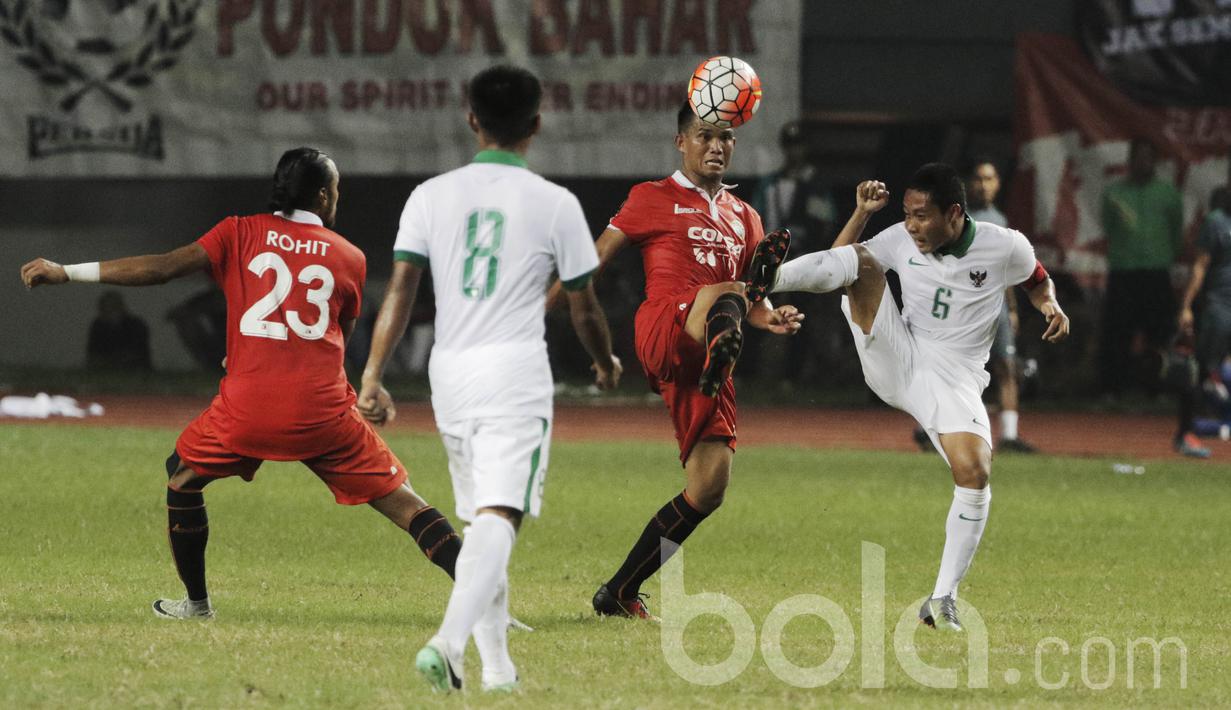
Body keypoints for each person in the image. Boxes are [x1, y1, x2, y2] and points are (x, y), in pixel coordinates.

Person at [19, 147, 463, 620]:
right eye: (335, 189)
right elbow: (335, 341)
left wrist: (67, 271)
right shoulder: (349, 257)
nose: (337, 197)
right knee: (406, 503)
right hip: (323, 414)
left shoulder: (238, 231)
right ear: (320, 195)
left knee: (182, 477)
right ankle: (488, 605)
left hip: (247, 411)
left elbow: (163, 268)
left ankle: (196, 605)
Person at [357, 65, 621, 694]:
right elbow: (583, 304)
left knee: (483, 521)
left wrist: (371, 372)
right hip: (513, 371)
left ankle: (499, 671)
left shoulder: (430, 194)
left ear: (471, 119)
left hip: (450, 372)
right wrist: (606, 360)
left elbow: (401, 288)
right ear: (535, 125)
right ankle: (448, 644)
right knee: (500, 516)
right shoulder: (556, 203)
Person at [772, 164, 1070, 631]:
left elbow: (1035, 279)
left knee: (975, 472)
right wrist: (860, 213)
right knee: (863, 263)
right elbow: (839, 263)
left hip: (956, 378)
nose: (911, 226)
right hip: (900, 354)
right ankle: (762, 279)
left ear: (953, 213)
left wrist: (1049, 303)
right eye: (907, 214)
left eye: (921, 216)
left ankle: (942, 598)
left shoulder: (1005, 245)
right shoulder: (899, 238)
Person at [573, 101, 802, 622]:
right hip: (666, 324)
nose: (716, 145)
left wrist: (772, 317)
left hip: (709, 348)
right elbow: (594, 258)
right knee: (726, 291)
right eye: (704, 136)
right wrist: (567, 302)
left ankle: (620, 591)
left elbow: (753, 305)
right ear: (681, 142)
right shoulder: (651, 197)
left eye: (725, 137)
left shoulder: (746, 216)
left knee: (709, 486)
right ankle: (726, 332)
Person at [913, 157, 1036, 452]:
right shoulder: (955, 217)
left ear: (998, 184)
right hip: (963, 305)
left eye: (989, 179)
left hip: (995, 306)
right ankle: (934, 427)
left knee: (1006, 365)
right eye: (979, 179)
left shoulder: (1001, 221)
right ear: (969, 184)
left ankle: (1009, 434)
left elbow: (1003, 268)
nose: (983, 185)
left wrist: (1013, 309)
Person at [1099, 138, 1183, 398]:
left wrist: (1166, 256)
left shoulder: (1168, 193)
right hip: (1123, 271)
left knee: (1158, 333)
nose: (1142, 162)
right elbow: (1109, 228)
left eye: (1148, 157)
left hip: (1156, 272)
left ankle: (1155, 390)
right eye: (1138, 157)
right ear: (1130, 161)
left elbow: (1176, 231)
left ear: (1155, 162)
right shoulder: (1114, 193)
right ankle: (1114, 389)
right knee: (1118, 332)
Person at [1174, 185, 1231, 458]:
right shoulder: (1217, 222)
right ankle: (1186, 434)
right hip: (1220, 308)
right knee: (1200, 372)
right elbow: (1200, 265)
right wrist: (1186, 306)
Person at [86, 290, 152, 371]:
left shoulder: (136, 325)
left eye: (113, 307)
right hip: (105, 373)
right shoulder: (98, 326)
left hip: (135, 371)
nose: (110, 311)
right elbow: (93, 354)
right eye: (106, 308)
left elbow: (137, 353)